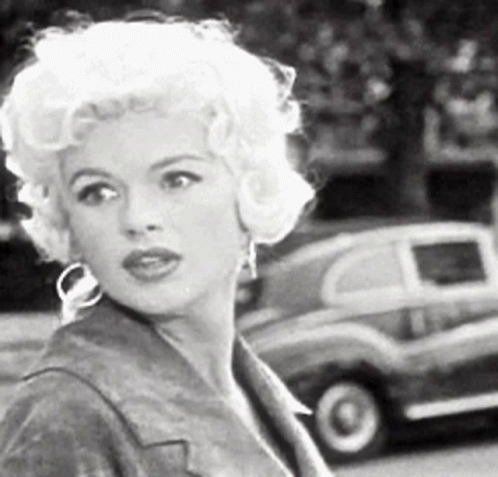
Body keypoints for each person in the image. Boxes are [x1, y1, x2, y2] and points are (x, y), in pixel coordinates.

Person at [0, 13, 333, 477]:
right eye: (98, 192)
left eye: (176, 179)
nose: (137, 219)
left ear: (251, 189)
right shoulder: (67, 415)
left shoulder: (248, 384)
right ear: (66, 219)